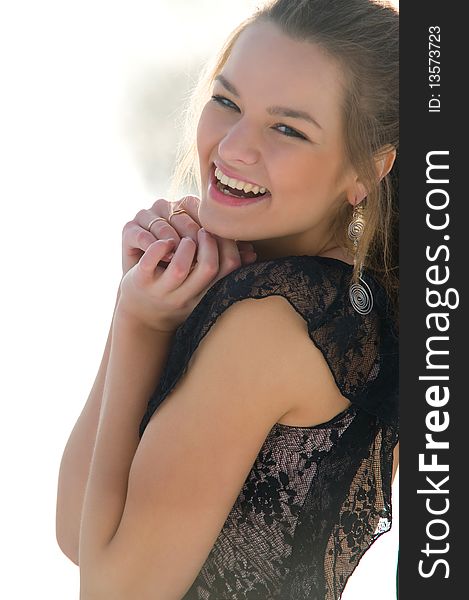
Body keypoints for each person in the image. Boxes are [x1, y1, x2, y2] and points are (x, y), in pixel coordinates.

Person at [56, 0, 399, 598]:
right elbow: (77, 536)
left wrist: (141, 327)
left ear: (366, 172)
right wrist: (140, 308)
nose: (233, 147)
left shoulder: (272, 323)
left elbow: (112, 590)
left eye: (288, 128)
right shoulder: (353, 304)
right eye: (227, 102)